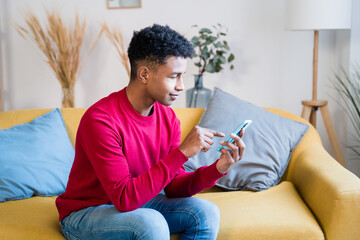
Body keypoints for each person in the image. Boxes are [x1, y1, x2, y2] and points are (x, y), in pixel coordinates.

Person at [56, 24, 245, 240]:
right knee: (151, 224)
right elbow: (125, 198)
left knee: (206, 213)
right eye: (174, 76)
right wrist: (182, 152)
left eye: (182, 76)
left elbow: (173, 187)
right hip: (85, 213)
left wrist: (218, 169)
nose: (181, 86)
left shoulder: (168, 118)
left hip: (138, 202)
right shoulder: (101, 120)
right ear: (144, 74)